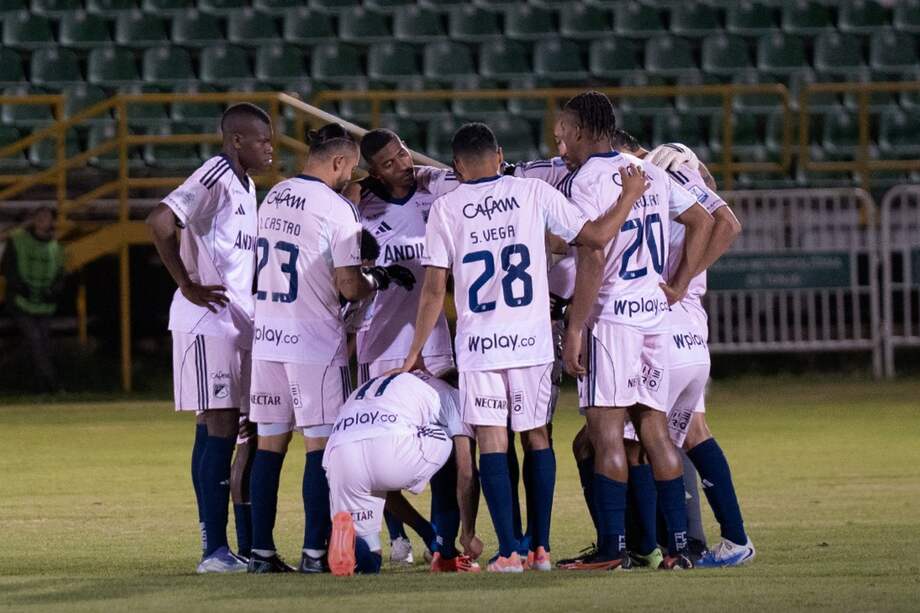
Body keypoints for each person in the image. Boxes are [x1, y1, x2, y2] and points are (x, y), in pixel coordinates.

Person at [395, 122, 650, 573]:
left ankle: (510, 550)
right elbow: (592, 238)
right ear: (499, 155)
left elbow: (434, 290)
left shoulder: (446, 206)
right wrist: (628, 198)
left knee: (492, 442)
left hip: (479, 346)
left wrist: (414, 352)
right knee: (536, 437)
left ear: (456, 166)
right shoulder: (531, 192)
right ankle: (541, 549)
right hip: (531, 341)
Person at [244, 124, 416, 574]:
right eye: (351, 169)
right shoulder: (336, 209)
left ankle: (261, 553)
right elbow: (347, 284)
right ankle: (315, 554)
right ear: (339, 162)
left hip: (268, 340)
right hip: (313, 342)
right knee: (321, 449)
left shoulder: (274, 196)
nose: (350, 178)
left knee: (269, 447)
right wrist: (378, 278)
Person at [554, 91, 714, 571]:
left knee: (606, 433)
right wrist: (678, 284)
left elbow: (592, 254)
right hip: (653, 313)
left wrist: (576, 326)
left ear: (582, 130)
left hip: (612, 317)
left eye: (563, 135)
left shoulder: (587, 181)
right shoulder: (649, 171)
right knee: (654, 428)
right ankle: (679, 547)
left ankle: (611, 550)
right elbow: (703, 219)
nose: (560, 145)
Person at [615, 133, 754, 568]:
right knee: (694, 434)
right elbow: (722, 221)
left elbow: (728, 224)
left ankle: (654, 547)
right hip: (692, 329)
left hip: (665, 324)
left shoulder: (665, 171)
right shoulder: (675, 173)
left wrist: (678, 280)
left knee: (632, 437)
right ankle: (731, 539)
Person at [146, 103, 273, 573]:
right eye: (263, 139)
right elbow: (160, 221)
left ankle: (218, 548)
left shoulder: (248, 185)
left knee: (213, 428)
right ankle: (213, 551)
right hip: (207, 320)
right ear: (237, 140)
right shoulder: (217, 173)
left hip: (232, 322)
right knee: (219, 427)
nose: (270, 148)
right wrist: (186, 283)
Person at [353, 129, 457, 565]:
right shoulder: (360, 205)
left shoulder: (435, 189)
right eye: (390, 162)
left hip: (433, 338)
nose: (402, 164)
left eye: (402, 154)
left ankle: (445, 541)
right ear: (374, 171)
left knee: (448, 439)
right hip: (381, 340)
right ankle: (399, 538)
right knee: (384, 444)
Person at [324, 371, 480, 576]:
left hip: (340, 453)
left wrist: (426, 532)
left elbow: (384, 485)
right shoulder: (455, 394)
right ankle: (446, 553)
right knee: (455, 451)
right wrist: (468, 533)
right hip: (389, 447)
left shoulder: (392, 379)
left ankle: (354, 549)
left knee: (369, 560)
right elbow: (466, 472)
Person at [2, 206, 64, 393]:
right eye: (38, 216)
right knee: (36, 340)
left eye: (46, 217)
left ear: (52, 221)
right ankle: (50, 385)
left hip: (44, 305)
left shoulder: (55, 247)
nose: (41, 219)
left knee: (43, 343)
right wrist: (20, 288)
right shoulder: (18, 240)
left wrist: (52, 291)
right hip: (21, 301)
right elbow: (7, 268)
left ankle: (41, 385)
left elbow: (60, 274)